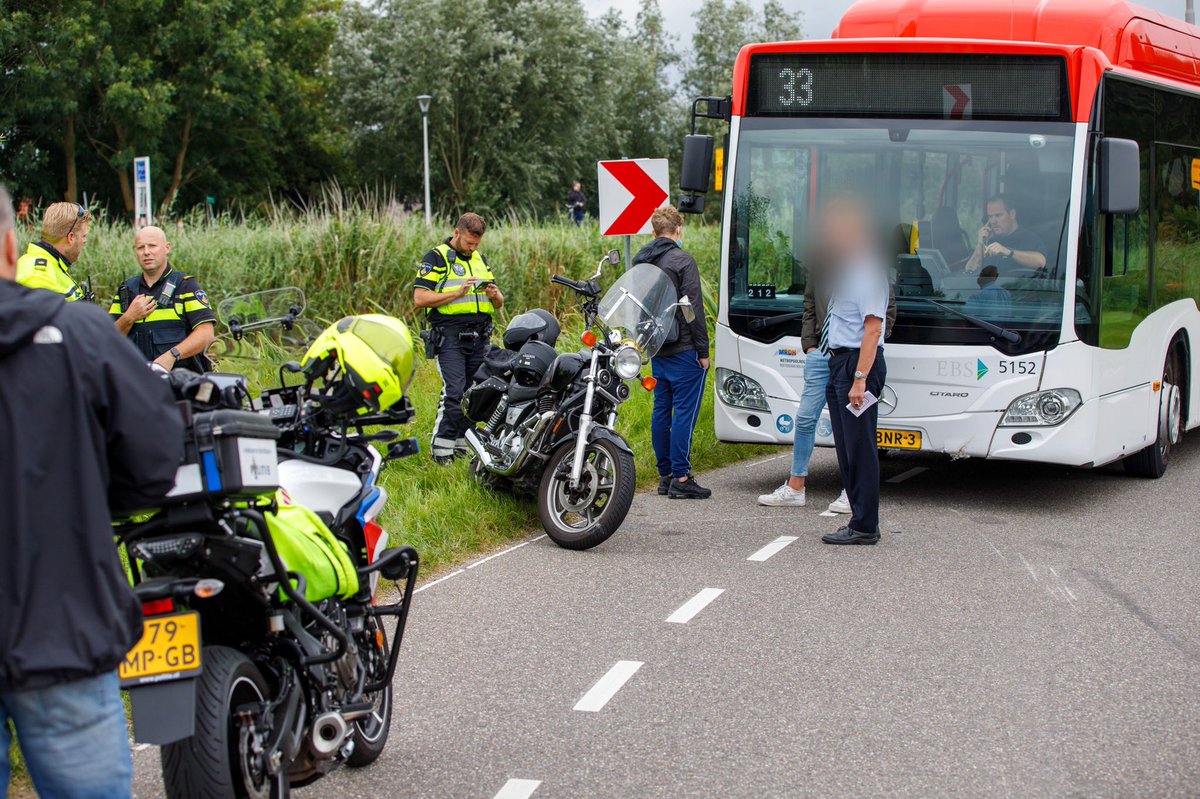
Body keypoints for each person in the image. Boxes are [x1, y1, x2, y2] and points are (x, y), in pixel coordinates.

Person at [0, 183, 185, 797]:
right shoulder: (72, 326)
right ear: (9, 242)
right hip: (62, 627)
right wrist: (81, 496)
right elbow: (154, 461)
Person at [758, 246, 896, 512]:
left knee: (849, 428)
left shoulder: (869, 269)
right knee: (807, 417)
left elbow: (883, 313)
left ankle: (850, 490)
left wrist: (869, 346)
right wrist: (810, 343)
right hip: (822, 351)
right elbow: (809, 304)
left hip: (852, 354)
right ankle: (796, 486)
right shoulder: (821, 263)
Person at [818, 198, 890, 546]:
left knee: (859, 447)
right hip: (840, 363)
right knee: (847, 448)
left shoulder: (867, 271)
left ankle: (865, 525)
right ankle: (858, 519)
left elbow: (872, 329)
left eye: (837, 232)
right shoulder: (849, 268)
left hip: (857, 366)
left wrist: (860, 378)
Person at [634, 205, 712, 500]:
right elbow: (692, 309)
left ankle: (665, 475)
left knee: (661, 410)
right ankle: (681, 476)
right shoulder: (682, 260)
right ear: (678, 230)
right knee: (684, 413)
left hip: (658, 347)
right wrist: (702, 350)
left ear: (654, 233)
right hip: (683, 348)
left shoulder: (642, 261)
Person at [414, 212, 504, 464]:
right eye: (468, 243)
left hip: (479, 337)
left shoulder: (479, 260)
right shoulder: (437, 258)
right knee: (453, 392)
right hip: (450, 337)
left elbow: (498, 304)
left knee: (475, 394)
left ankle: (463, 447)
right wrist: (457, 292)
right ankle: (441, 451)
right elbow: (420, 298)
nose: (472, 248)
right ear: (457, 233)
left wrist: (495, 294)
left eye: (476, 244)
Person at [109, 225, 216, 371]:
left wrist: (172, 355)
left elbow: (206, 334)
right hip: (135, 381)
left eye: (152, 246)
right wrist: (129, 317)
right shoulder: (126, 291)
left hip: (180, 381)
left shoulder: (186, 286)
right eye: (141, 248)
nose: (146, 252)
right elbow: (108, 338)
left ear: (167, 248)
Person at [15, 201, 92, 302]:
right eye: (84, 236)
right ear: (71, 237)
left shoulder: (52, 266)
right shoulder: (39, 276)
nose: (85, 241)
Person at [965, 194, 1047, 274]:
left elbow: (1041, 262)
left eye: (998, 215)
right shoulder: (990, 241)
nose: (993, 221)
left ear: (1012, 214)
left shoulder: (1028, 238)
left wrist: (1008, 251)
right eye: (990, 217)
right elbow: (969, 271)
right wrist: (980, 244)